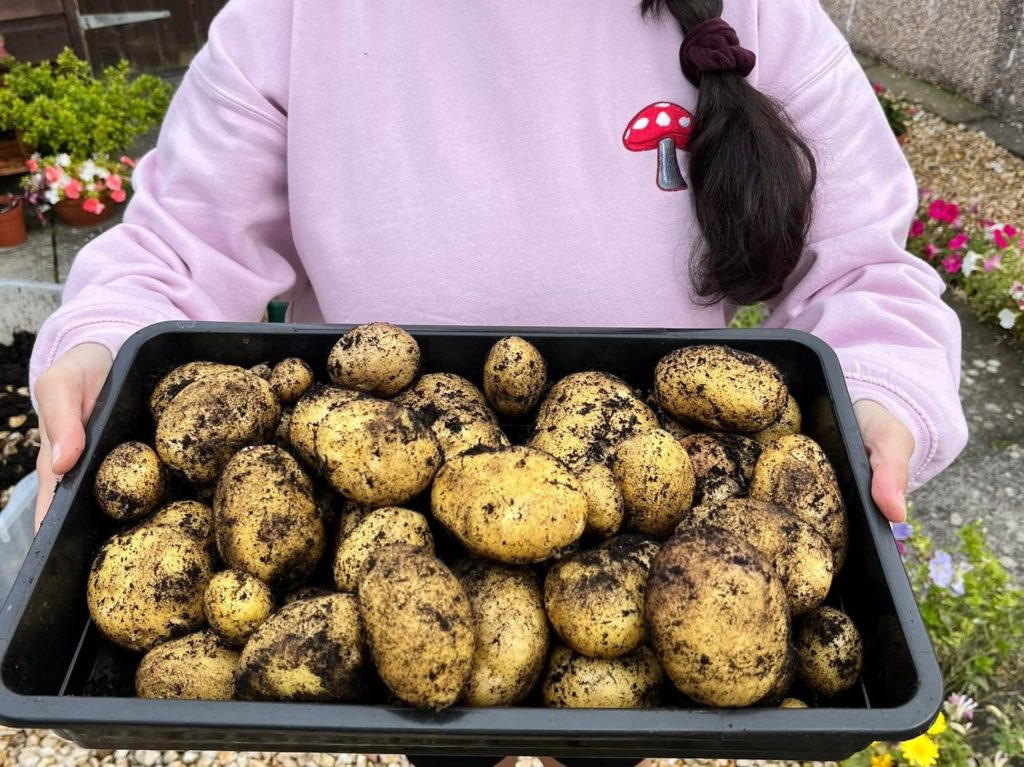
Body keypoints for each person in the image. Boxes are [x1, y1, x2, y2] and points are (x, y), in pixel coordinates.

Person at [29, 0, 967, 763]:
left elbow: (863, 273)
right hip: (375, 493)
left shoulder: (763, 14)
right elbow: (175, 252)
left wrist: (880, 396)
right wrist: (101, 342)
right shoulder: (294, 18)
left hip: (666, 525)